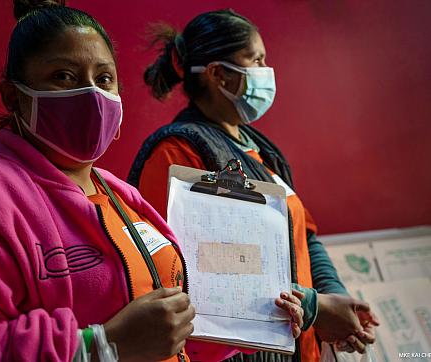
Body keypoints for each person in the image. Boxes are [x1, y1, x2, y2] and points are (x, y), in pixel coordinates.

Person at [0, 2, 305, 361]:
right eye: (63, 75)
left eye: (105, 78)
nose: (91, 93)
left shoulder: (121, 195)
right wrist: (100, 346)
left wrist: (254, 321)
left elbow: (171, 333)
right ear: (13, 96)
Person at [128, 9, 379, 362]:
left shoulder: (261, 152)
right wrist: (314, 307)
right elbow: (200, 275)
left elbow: (304, 237)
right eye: (256, 59)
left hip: (298, 347)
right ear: (219, 75)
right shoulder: (179, 153)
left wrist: (336, 304)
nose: (266, 71)